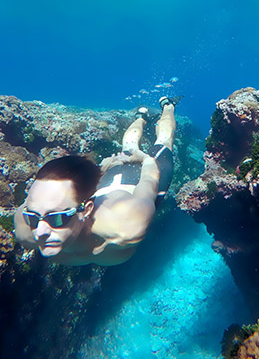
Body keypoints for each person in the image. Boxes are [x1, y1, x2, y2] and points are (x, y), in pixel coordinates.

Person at [14, 96, 181, 266]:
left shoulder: (126, 226)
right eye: (33, 218)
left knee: (162, 142)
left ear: (86, 210)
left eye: (56, 219)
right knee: (128, 148)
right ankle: (141, 116)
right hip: (105, 185)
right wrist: (101, 168)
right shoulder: (24, 230)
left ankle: (167, 106)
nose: (39, 233)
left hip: (139, 183)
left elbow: (149, 182)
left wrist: (145, 159)